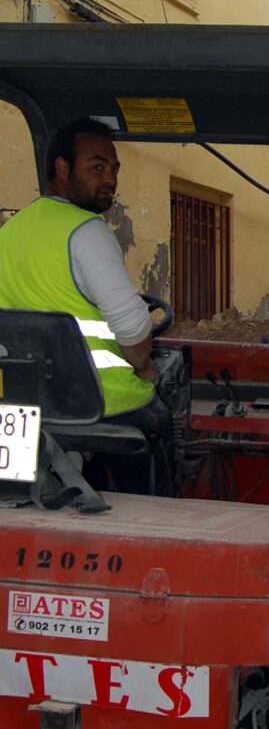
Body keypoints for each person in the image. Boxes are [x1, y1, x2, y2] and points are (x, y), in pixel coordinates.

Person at [0, 116, 175, 495]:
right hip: (103, 403)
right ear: (62, 169)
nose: (109, 177)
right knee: (158, 419)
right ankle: (153, 527)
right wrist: (144, 366)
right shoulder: (86, 230)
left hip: (26, 410)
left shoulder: (9, 232)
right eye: (96, 167)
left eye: (113, 168)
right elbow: (131, 327)